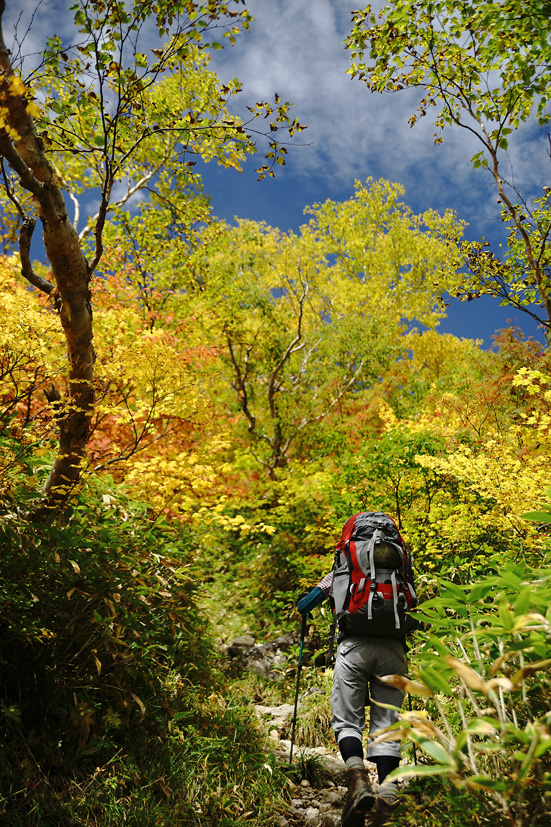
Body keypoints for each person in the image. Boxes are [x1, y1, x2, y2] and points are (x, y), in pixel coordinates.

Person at [297, 512, 417, 827]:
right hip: (393, 648)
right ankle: (389, 792)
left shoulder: (348, 559)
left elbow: (312, 598)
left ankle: (358, 780)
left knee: (347, 719)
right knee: (387, 723)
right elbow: (414, 600)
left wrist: (304, 605)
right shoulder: (400, 559)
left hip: (353, 646)